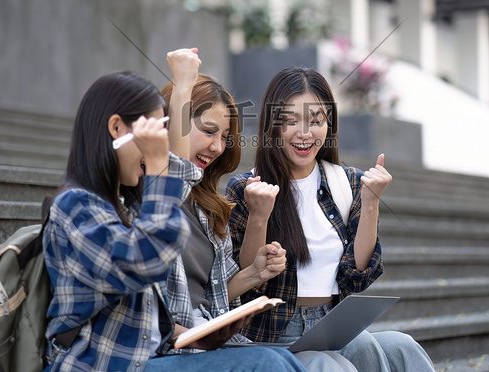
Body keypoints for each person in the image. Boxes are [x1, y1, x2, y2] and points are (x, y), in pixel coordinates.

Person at [42, 70, 306, 372]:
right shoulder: (77, 206)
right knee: (267, 364)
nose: (218, 147)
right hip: (106, 365)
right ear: (116, 127)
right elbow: (150, 262)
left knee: (280, 360)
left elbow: (146, 311)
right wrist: (159, 162)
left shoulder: (133, 204)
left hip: (150, 354)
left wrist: (196, 335)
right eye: (154, 134)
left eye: (224, 138)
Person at [226, 67, 435, 372]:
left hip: (333, 325)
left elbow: (356, 277)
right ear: (272, 126)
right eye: (291, 121)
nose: (305, 133)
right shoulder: (248, 188)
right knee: (358, 354)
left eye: (316, 121)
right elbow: (245, 285)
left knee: (405, 349)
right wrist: (260, 215)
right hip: (273, 335)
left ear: (329, 124)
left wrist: (371, 203)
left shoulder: (346, 182)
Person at [160, 49, 356, 372]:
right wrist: (182, 85)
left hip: (209, 340)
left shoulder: (206, 209)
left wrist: (255, 273)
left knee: (388, 350)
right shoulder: (154, 196)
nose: (218, 147)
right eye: (209, 132)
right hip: (171, 348)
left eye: (224, 137)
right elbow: (173, 179)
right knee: (285, 361)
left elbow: (218, 292)